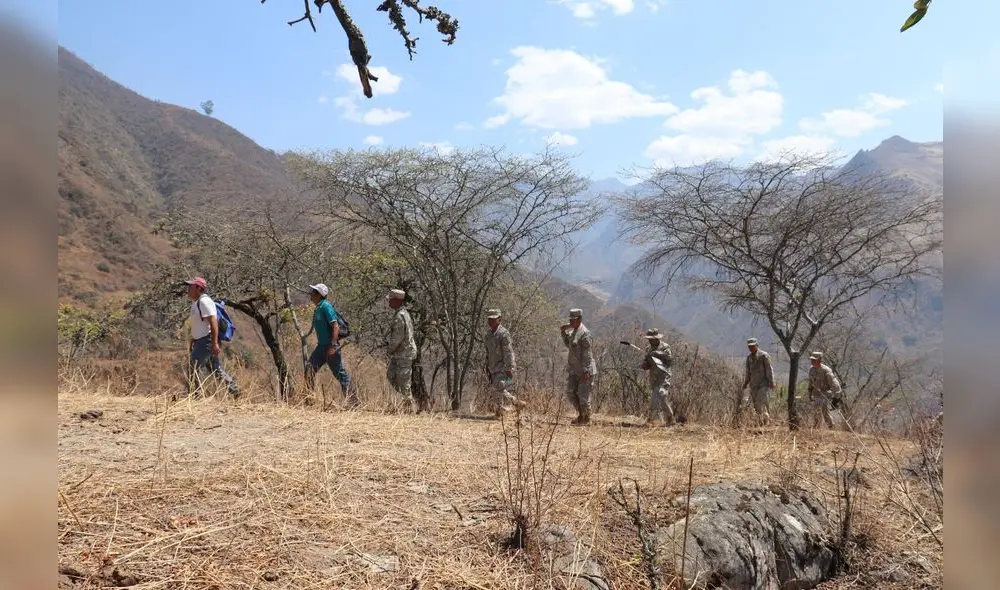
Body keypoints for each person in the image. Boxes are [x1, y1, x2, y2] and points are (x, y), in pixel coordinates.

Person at [184, 276, 239, 397]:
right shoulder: (197, 303)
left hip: (207, 341)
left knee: (192, 367)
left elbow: (213, 322)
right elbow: (200, 324)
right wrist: (194, 339)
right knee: (215, 368)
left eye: (190, 287)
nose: (188, 289)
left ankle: (195, 397)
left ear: (198, 288)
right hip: (203, 341)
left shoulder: (204, 301)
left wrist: (214, 343)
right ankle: (234, 391)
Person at [306, 283, 354, 406]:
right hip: (321, 346)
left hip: (330, 347)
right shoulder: (319, 307)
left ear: (318, 294)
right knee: (309, 369)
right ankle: (309, 399)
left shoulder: (326, 306)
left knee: (340, 374)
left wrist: (333, 346)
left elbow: (335, 326)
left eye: (313, 291)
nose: (311, 293)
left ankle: (353, 402)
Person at [483, 308, 525, 418]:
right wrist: (487, 366)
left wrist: (509, 368)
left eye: (493, 319)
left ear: (499, 319)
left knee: (500, 386)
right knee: (497, 390)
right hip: (492, 367)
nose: (491, 321)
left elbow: (508, 352)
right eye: (489, 319)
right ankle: (500, 412)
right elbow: (488, 352)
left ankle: (516, 403)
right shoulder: (488, 335)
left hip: (503, 367)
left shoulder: (503, 334)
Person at [560, 308, 597, 425]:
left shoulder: (585, 334)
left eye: (573, 320)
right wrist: (563, 332)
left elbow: (588, 354)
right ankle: (581, 415)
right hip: (574, 369)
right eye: (570, 320)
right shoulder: (574, 332)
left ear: (580, 319)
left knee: (583, 396)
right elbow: (569, 345)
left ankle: (586, 419)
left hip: (585, 370)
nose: (570, 322)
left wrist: (586, 371)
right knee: (570, 392)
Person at [386, 288, 418, 412]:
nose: (389, 302)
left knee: (404, 381)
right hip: (400, 354)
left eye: (391, 300)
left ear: (397, 301)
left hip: (404, 354)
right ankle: (405, 403)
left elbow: (397, 337)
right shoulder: (402, 313)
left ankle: (409, 408)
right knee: (392, 376)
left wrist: (390, 349)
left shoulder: (400, 316)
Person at [639, 328, 674, 426]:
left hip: (664, 375)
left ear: (656, 338)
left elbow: (669, 359)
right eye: (649, 339)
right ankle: (658, 419)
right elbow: (647, 361)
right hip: (654, 376)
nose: (650, 340)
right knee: (657, 397)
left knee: (662, 394)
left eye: (651, 338)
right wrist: (645, 365)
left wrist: (657, 354)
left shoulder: (665, 347)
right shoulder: (648, 348)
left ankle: (662, 418)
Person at [741, 337, 775, 426]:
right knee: (757, 406)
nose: (751, 348)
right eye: (749, 346)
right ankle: (762, 422)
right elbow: (748, 372)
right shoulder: (749, 358)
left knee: (759, 402)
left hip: (763, 384)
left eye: (753, 346)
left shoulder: (764, 355)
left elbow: (769, 369)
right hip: (754, 385)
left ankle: (766, 421)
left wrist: (771, 382)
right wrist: (745, 383)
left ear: (757, 345)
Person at [807, 351, 842, 429]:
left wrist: (836, 398)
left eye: (814, 360)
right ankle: (816, 428)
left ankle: (831, 427)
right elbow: (810, 382)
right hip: (816, 394)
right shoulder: (811, 369)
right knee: (816, 411)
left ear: (819, 360)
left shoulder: (826, 370)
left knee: (824, 411)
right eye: (811, 360)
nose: (812, 361)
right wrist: (809, 393)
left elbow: (835, 385)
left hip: (826, 393)